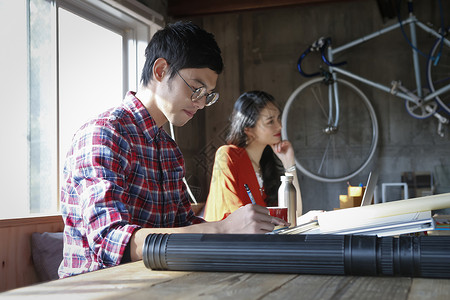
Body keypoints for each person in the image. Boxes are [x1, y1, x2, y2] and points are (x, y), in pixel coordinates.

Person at [58, 21, 288, 278]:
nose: (201, 103)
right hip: (96, 289)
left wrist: (243, 229)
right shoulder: (104, 133)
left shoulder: (168, 149)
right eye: (196, 88)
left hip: (156, 284)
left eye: (208, 95)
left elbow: (182, 226)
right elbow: (111, 241)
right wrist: (223, 229)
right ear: (160, 70)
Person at [204, 91, 303, 221]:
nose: (280, 126)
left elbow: (294, 214)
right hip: (234, 240)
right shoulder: (227, 155)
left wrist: (289, 163)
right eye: (270, 121)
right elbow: (233, 217)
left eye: (278, 118)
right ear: (248, 129)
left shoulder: (266, 165)